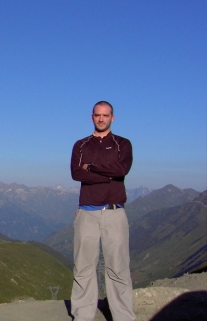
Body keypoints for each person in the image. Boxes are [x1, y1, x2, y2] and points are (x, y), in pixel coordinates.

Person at [70, 101, 136, 321]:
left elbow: (123, 169)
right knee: (83, 267)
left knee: (118, 267)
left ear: (112, 118)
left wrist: (93, 167)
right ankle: (82, 316)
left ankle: (124, 317)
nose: (101, 119)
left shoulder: (123, 144)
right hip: (86, 213)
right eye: (97, 115)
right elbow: (77, 174)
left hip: (114, 212)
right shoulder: (80, 145)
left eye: (105, 115)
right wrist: (110, 174)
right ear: (91, 117)